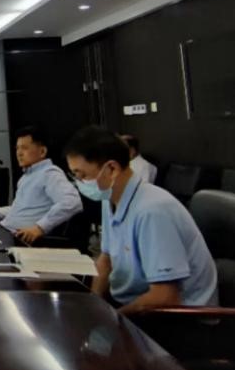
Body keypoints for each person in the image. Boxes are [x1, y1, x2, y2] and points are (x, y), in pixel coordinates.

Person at [65, 126, 217, 314]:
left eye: (82, 175)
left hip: (175, 318)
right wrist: (94, 305)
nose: (79, 182)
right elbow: (106, 260)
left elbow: (165, 297)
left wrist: (113, 318)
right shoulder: (110, 198)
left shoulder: (152, 210)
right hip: (135, 302)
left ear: (111, 169)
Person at [0, 127, 82, 245]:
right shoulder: (26, 177)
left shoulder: (50, 173)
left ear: (42, 152)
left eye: (24, 148)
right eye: (17, 148)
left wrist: (40, 227)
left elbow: (72, 202)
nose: (19, 153)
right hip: (4, 232)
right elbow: (19, 208)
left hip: (18, 240)